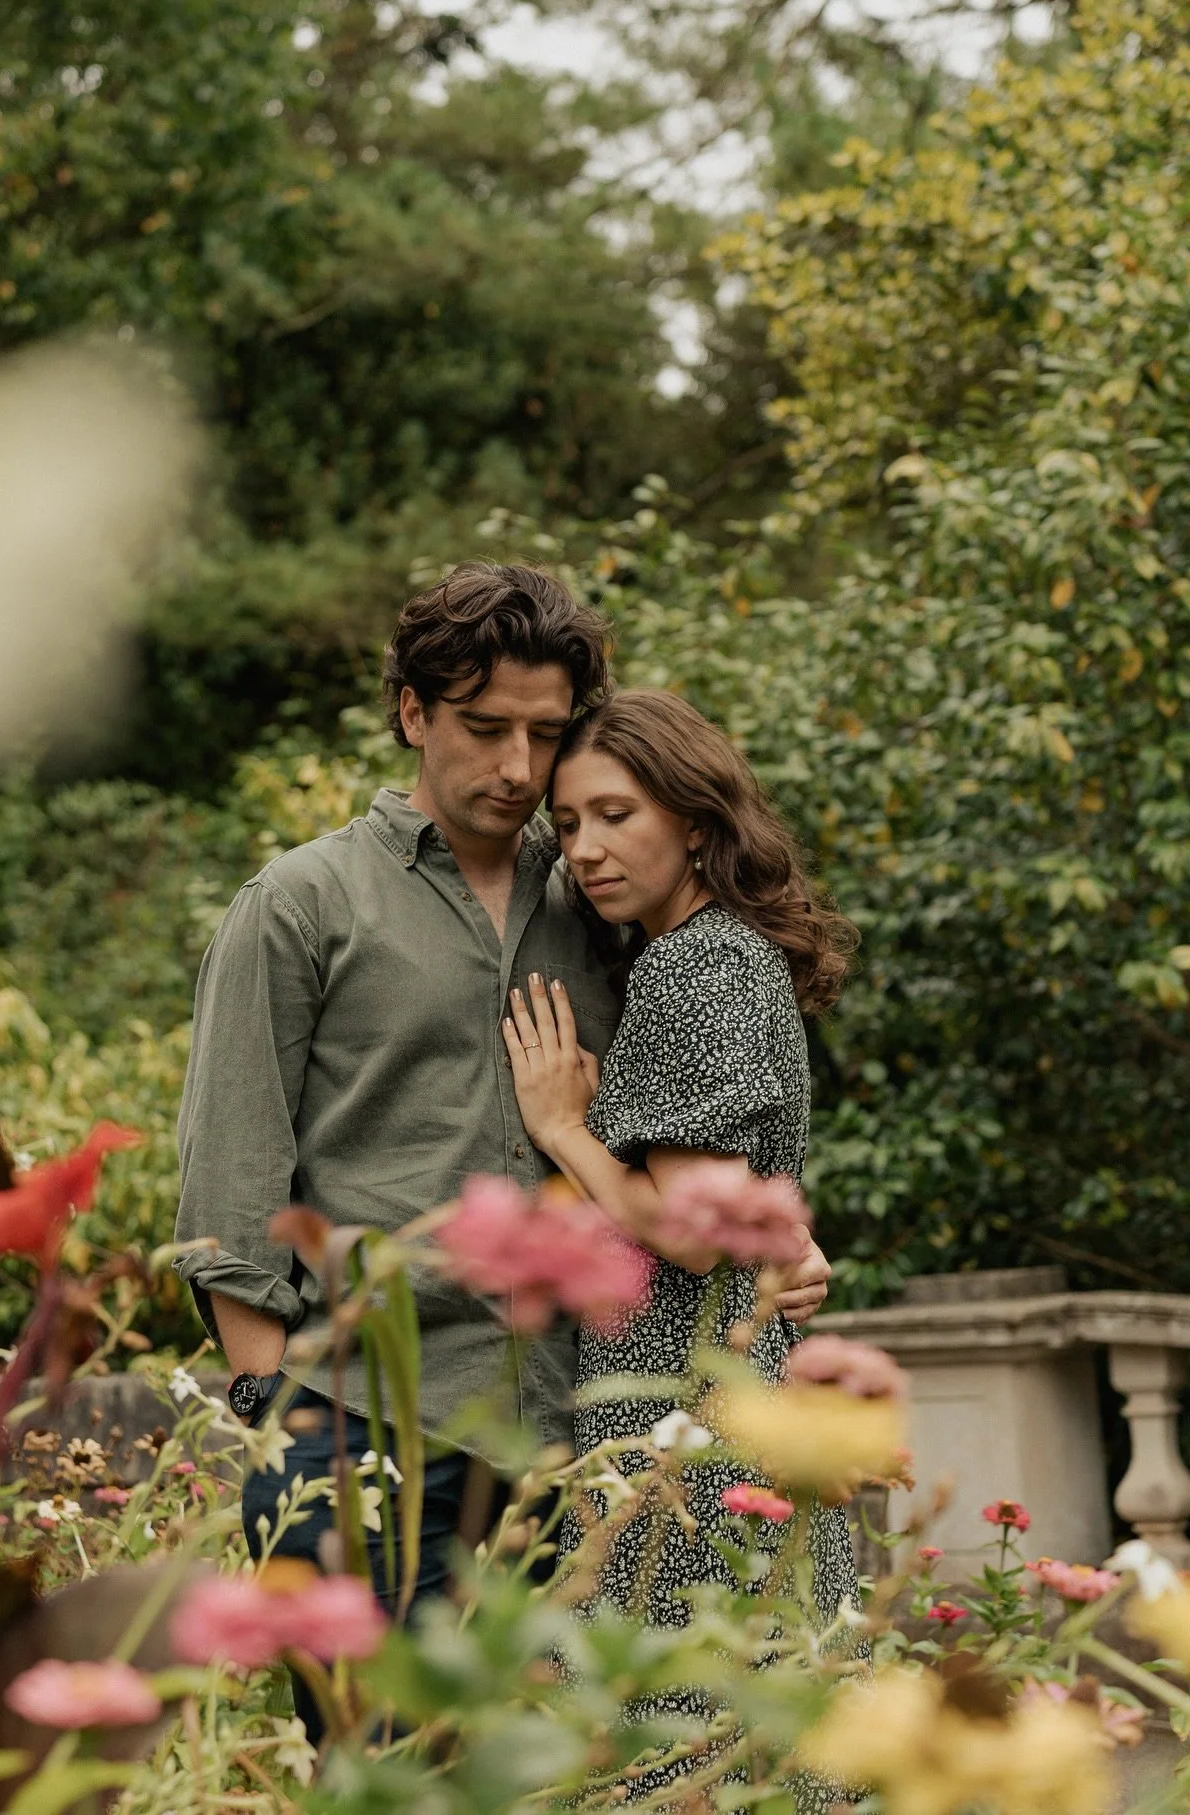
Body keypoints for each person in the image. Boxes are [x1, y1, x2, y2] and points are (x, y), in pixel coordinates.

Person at [174, 565, 834, 1645]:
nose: (520, 767)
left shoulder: (606, 892)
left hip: (590, 1446)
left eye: (545, 730)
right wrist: (275, 1425)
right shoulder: (301, 905)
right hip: (371, 1429)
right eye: (484, 728)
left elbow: (693, 1114)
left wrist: (775, 1231)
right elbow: (227, 1195)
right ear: (411, 712)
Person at [502, 686, 860, 1799]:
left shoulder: (693, 966)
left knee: (672, 1748)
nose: (588, 848)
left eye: (618, 814)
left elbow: (689, 1234)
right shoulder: (726, 956)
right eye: (567, 825)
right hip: (728, 1411)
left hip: (690, 1434)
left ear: (695, 822)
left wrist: (562, 1123)